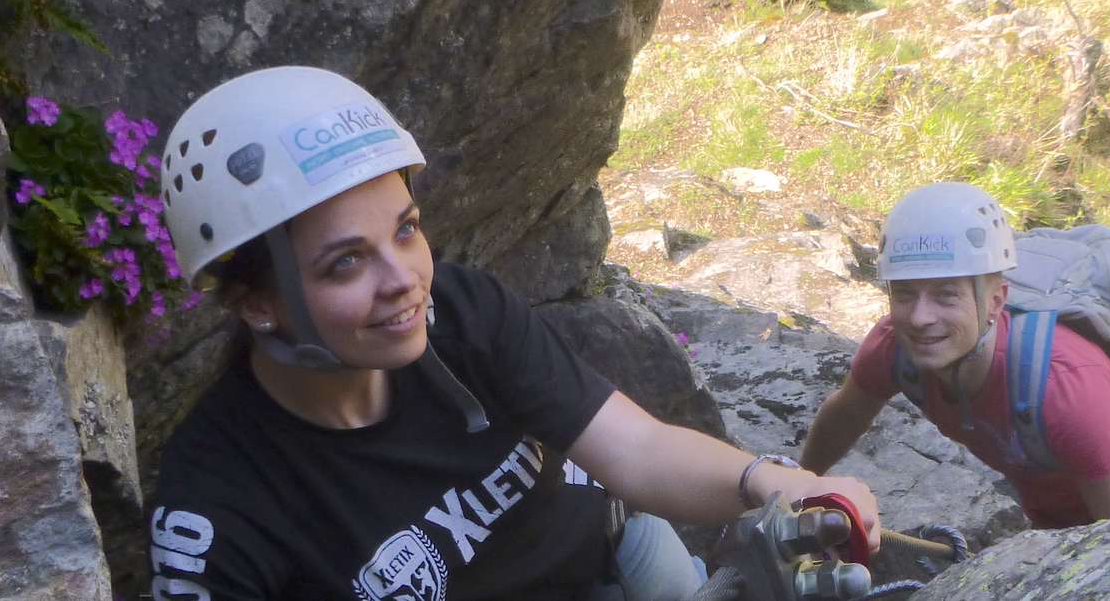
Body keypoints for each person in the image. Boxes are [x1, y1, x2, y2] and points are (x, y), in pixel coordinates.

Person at [146, 66, 879, 600]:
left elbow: (637, 448)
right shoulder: (216, 506)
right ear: (255, 304)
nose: (403, 278)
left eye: (405, 232)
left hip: (616, 558)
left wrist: (775, 484)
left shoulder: (459, 315)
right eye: (345, 264)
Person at [797, 183, 1110, 529]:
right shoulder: (892, 346)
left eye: (946, 295)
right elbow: (846, 413)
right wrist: (797, 488)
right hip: (1055, 514)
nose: (920, 318)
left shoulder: (1065, 391)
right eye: (904, 294)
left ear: (995, 301)